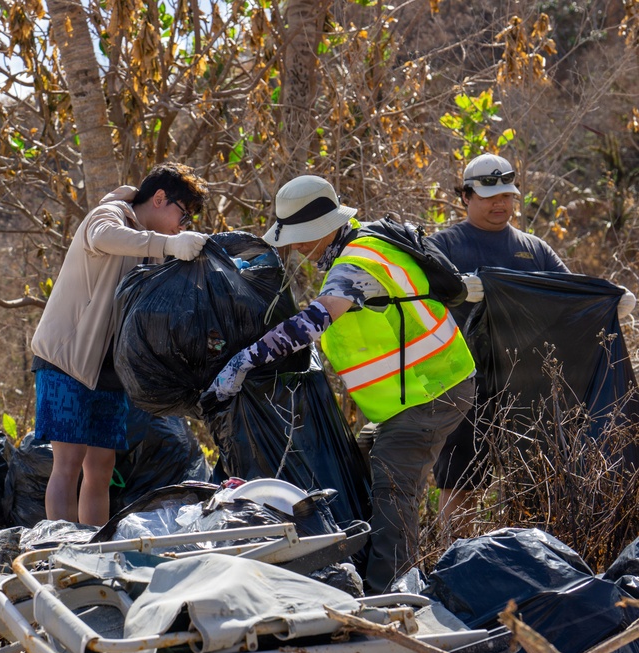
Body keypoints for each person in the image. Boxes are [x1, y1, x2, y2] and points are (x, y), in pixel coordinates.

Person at [207, 174, 476, 594]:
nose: (295, 246)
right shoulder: (361, 246)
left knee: (392, 484)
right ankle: (370, 571)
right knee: (360, 465)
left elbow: (319, 317)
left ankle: (390, 598)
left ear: (322, 228)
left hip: (431, 390)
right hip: (416, 393)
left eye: (299, 237)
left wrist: (247, 359)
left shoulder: (357, 262)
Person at [427, 153, 636, 535]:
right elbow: (415, 304)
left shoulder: (534, 249)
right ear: (466, 196)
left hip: (529, 388)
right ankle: (450, 565)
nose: (500, 204)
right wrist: (453, 290)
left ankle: (530, 566)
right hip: (463, 384)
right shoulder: (443, 246)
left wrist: (607, 300)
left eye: (506, 196)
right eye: (490, 196)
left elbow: (569, 295)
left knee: (537, 487)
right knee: (461, 485)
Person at [31, 162, 209, 527]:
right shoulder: (110, 215)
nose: (182, 226)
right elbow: (102, 237)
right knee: (68, 463)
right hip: (68, 360)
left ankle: (92, 552)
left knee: (101, 467)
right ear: (160, 198)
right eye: (183, 214)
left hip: (112, 370)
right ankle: (59, 548)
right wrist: (170, 244)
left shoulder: (154, 245)